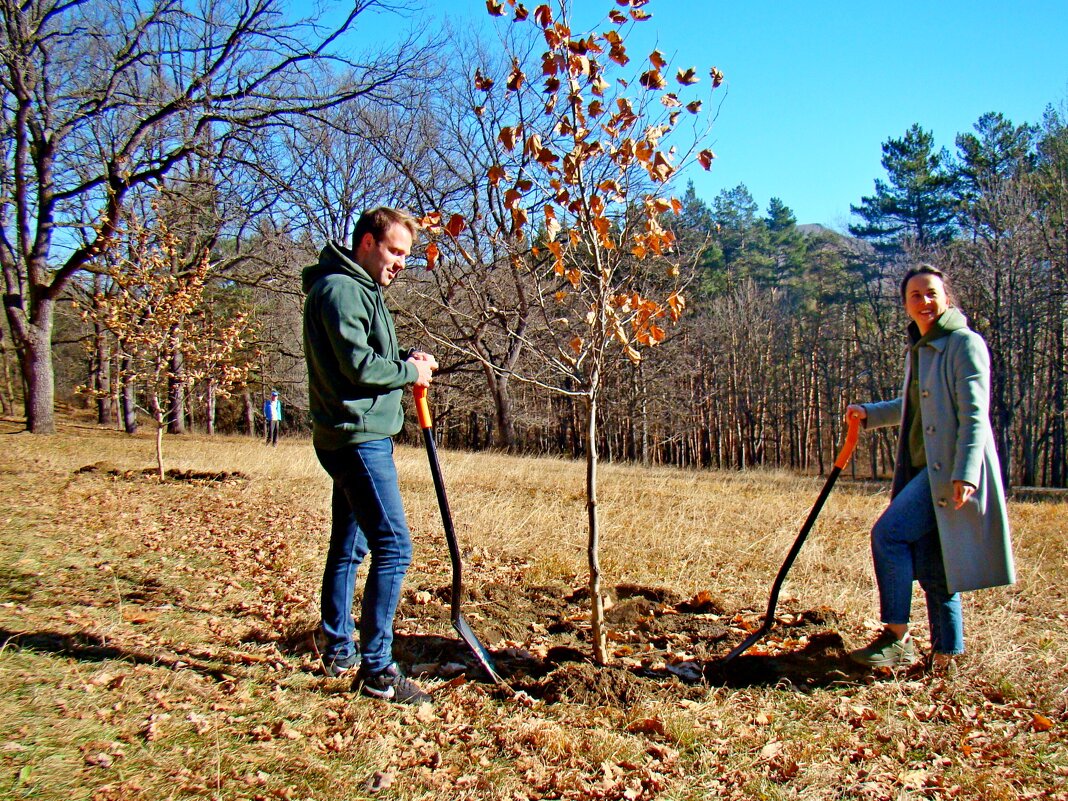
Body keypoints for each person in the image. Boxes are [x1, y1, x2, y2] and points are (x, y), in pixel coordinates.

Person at [846, 264, 1014, 673]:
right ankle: (946, 661)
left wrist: (967, 472)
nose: (924, 302)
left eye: (931, 293)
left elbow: (975, 415)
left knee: (888, 535)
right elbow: (915, 407)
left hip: (947, 471)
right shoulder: (922, 348)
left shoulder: (963, 344)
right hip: (926, 468)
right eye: (915, 296)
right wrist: (868, 413)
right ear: (905, 305)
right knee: (938, 566)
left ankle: (897, 638)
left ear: (946, 298)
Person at [302, 207, 438, 704]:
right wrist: (409, 375)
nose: (401, 263)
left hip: (355, 435)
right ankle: (377, 669)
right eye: (395, 251)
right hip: (356, 439)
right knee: (394, 546)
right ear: (366, 242)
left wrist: (406, 363)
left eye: (406, 255)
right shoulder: (341, 290)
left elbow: (367, 358)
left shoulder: (360, 290)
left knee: (350, 542)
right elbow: (358, 366)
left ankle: (338, 646)